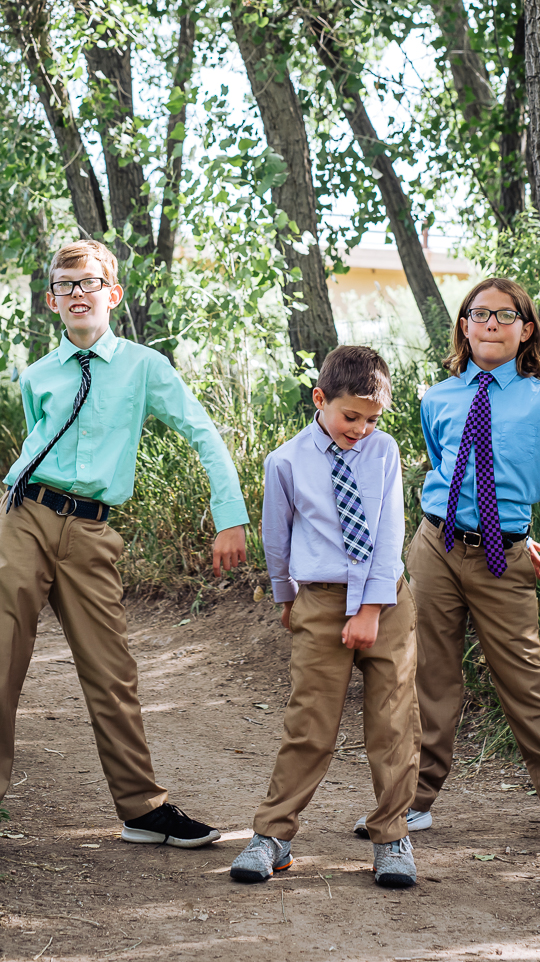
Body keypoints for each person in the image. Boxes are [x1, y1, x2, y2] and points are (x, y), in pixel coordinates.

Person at [0, 238, 249, 857]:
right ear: (52, 299)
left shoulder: (144, 367)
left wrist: (230, 516)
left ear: (112, 293)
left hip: (90, 531)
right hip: (23, 518)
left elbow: (202, 432)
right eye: (64, 285)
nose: (76, 293)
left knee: (112, 674)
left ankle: (144, 808)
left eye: (88, 283)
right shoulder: (38, 375)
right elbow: (35, 437)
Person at [355, 276, 540, 852]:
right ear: (464, 326)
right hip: (435, 548)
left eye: (505, 316)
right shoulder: (437, 398)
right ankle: (411, 801)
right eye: (479, 314)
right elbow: (443, 468)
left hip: (503, 558)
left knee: (525, 679)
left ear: (525, 330)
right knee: (428, 675)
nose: (490, 324)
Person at [230, 345, 421, 889]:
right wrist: (286, 596)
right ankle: (273, 835)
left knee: (393, 721)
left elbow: (388, 535)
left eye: (371, 418)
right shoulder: (285, 461)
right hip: (319, 599)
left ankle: (392, 835)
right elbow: (278, 535)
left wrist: (369, 610)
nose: (360, 428)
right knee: (309, 721)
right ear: (321, 399)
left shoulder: (384, 452)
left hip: (385, 601)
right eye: (350, 416)